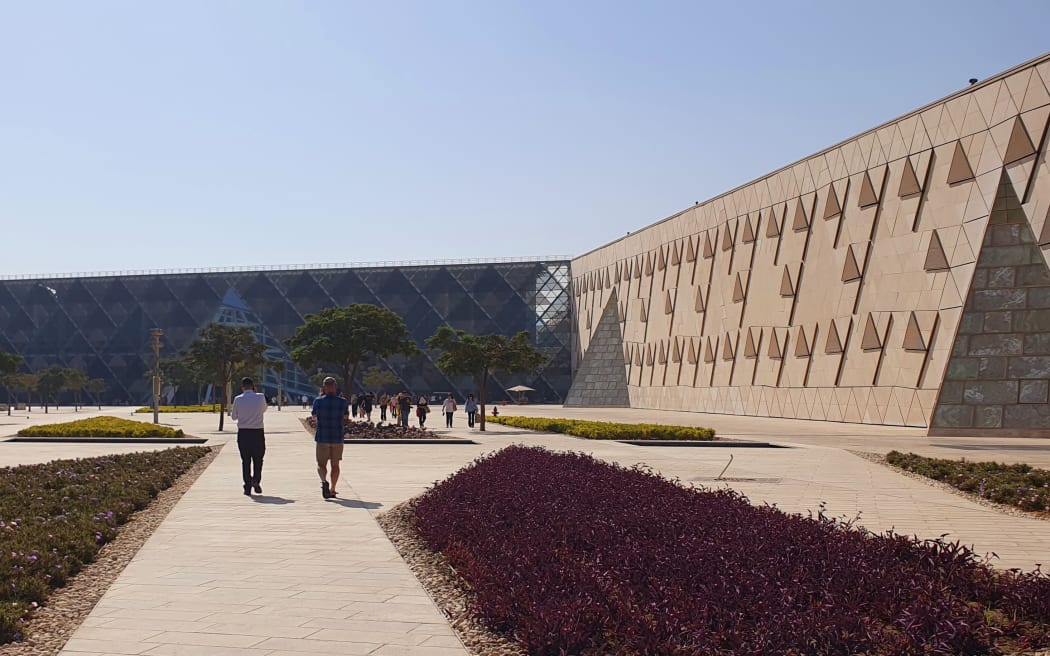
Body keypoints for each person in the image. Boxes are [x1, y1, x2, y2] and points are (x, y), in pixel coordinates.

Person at [312, 377, 349, 499]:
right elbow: (346, 417)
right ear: (335, 387)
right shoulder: (342, 402)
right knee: (335, 465)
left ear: (324, 387)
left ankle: (324, 481)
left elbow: (314, 416)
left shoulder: (318, 401)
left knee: (321, 464)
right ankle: (333, 489)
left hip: (322, 436)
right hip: (337, 436)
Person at [231, 377, 267, 496]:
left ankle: (247, 486)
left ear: (242, 387)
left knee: (245, 461)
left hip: (243, 433)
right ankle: (256, 480)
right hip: (257, 432)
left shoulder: (238, 399)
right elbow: (264, 409)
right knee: (258, 459)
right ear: (253, 387)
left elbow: (234, 417)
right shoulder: (260, 397)